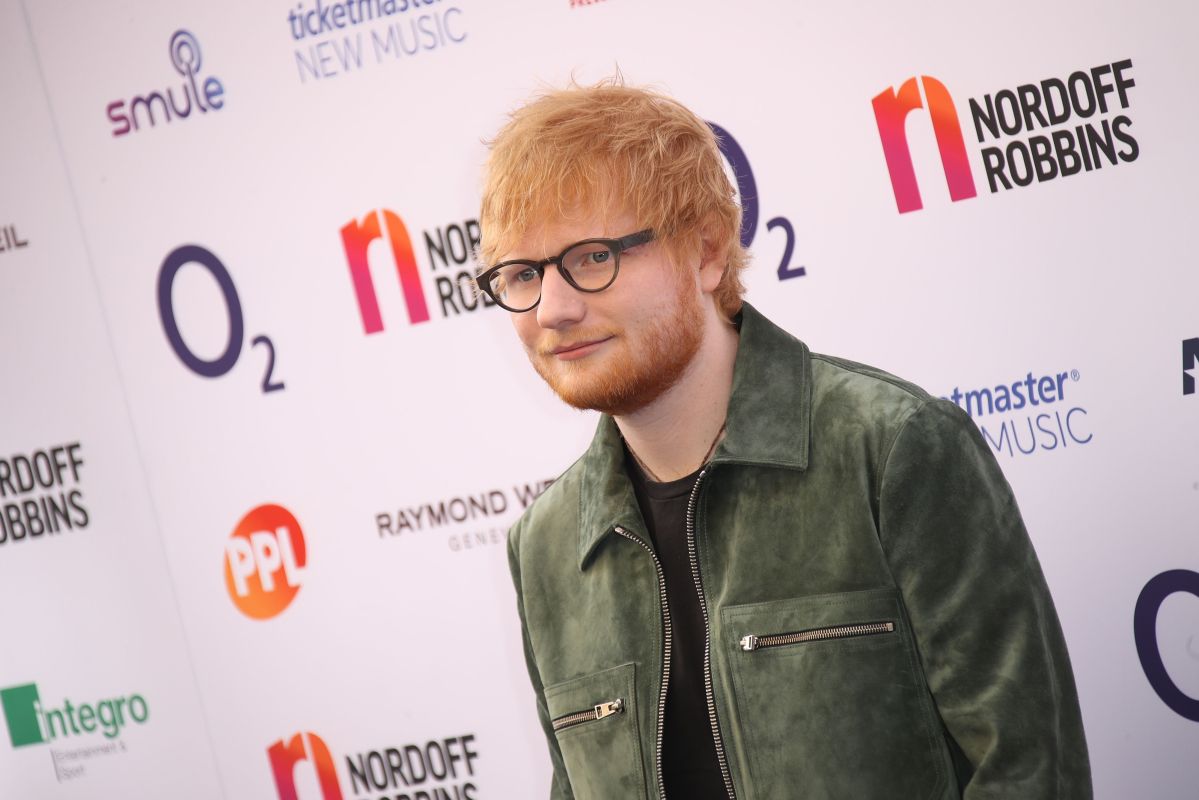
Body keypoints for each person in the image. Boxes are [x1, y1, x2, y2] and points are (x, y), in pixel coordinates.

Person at [476, 78, 1092, 799]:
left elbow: (1029, 774)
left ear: (706, 250)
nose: (551, 309)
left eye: (590, 257)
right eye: (521, 274)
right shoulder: (546, 548)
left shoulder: (890, 450)